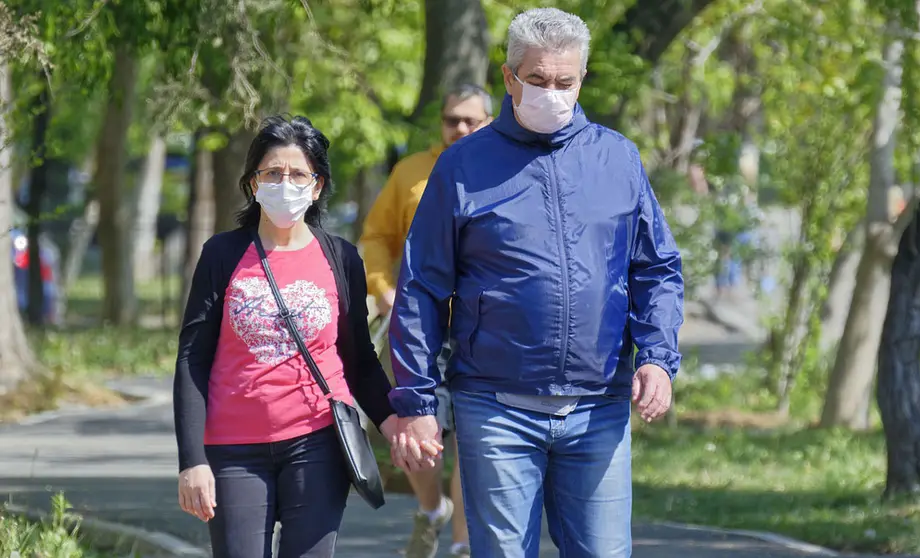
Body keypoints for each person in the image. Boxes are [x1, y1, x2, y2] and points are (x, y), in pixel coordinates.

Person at [386, 7, 684, 558]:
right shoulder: (462, 167)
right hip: (494, 406)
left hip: (598, 406)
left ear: (582, 79)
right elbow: (422, 288)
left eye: (564, 82)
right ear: (509, 78)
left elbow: (657, 267)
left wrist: (657, 357)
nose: (552, 93)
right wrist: (416, 401)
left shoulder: (617, 158)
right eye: (538, 80)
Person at [172, 115, 438, 558]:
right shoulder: (222, 254)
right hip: (234, 449)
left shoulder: (341, 258)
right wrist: (192, 462)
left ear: (317, 186)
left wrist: (396, 426)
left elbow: (358, 361)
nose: (285, 183)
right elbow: (191, 360)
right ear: (252, 183)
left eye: (298, 174)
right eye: (272, 173)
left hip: (318, 441)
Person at [360, 84, 494, 558]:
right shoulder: (412, 172)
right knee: (421, 431)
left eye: (471, 120)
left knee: (471, 437)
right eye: (452, 119)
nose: (460, 128)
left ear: (489, 122)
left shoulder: (502, 168)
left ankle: (461, 543)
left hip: (483, 327)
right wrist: (382, 288)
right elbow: (375, 237)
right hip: (422, 327)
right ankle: (432, 508)